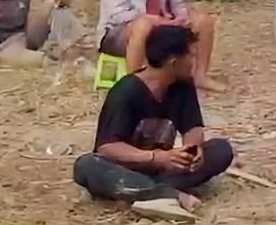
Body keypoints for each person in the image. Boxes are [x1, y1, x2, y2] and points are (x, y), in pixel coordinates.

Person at [73, 25, 233, 214]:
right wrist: (157, 158)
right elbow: (107, 147)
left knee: (220, 150)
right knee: (86, 166)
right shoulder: (126, 91)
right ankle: (169, 194)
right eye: (191, 55)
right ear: (174, 62)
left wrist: (192, 150)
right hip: (127, 168)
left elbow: (193, 127)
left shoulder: (183, 85)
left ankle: (141, 192)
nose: (194, 61)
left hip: (164, 169)